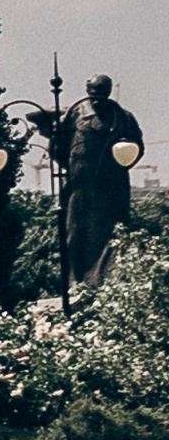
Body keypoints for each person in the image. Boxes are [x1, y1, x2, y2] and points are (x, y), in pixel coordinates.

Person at [60, 76, 146, 291]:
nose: (98, 95)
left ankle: (102, 282)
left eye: (102, 90)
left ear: (108, 90)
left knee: (107, 234)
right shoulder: (74, 116)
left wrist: (118, 163)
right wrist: (75, 165)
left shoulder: (123, 118)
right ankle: (75, 282)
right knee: (74, 234)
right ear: (87, 89)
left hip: (110, 187)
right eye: (93, 90)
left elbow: (137, 148)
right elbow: (58, 146)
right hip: (79, 186)